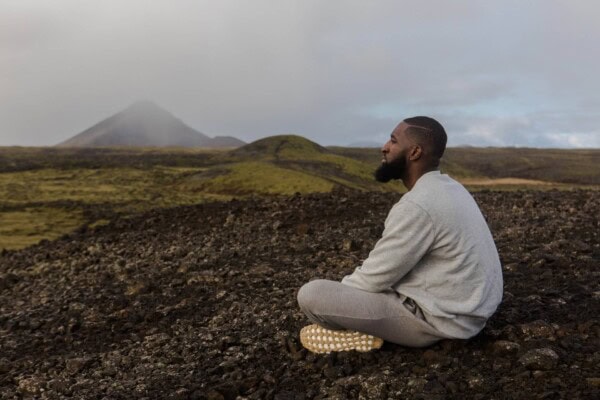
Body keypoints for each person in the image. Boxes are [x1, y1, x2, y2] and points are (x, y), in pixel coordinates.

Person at [297, 116, 503, 353]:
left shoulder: (418, 205)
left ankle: (361, 335)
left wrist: (341, 302)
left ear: (414, 152)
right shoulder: (451, 188)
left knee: (312, 295)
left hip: (442, 322)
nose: (384, 147)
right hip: (471, 313)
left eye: (393, 141)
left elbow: (371, 279)